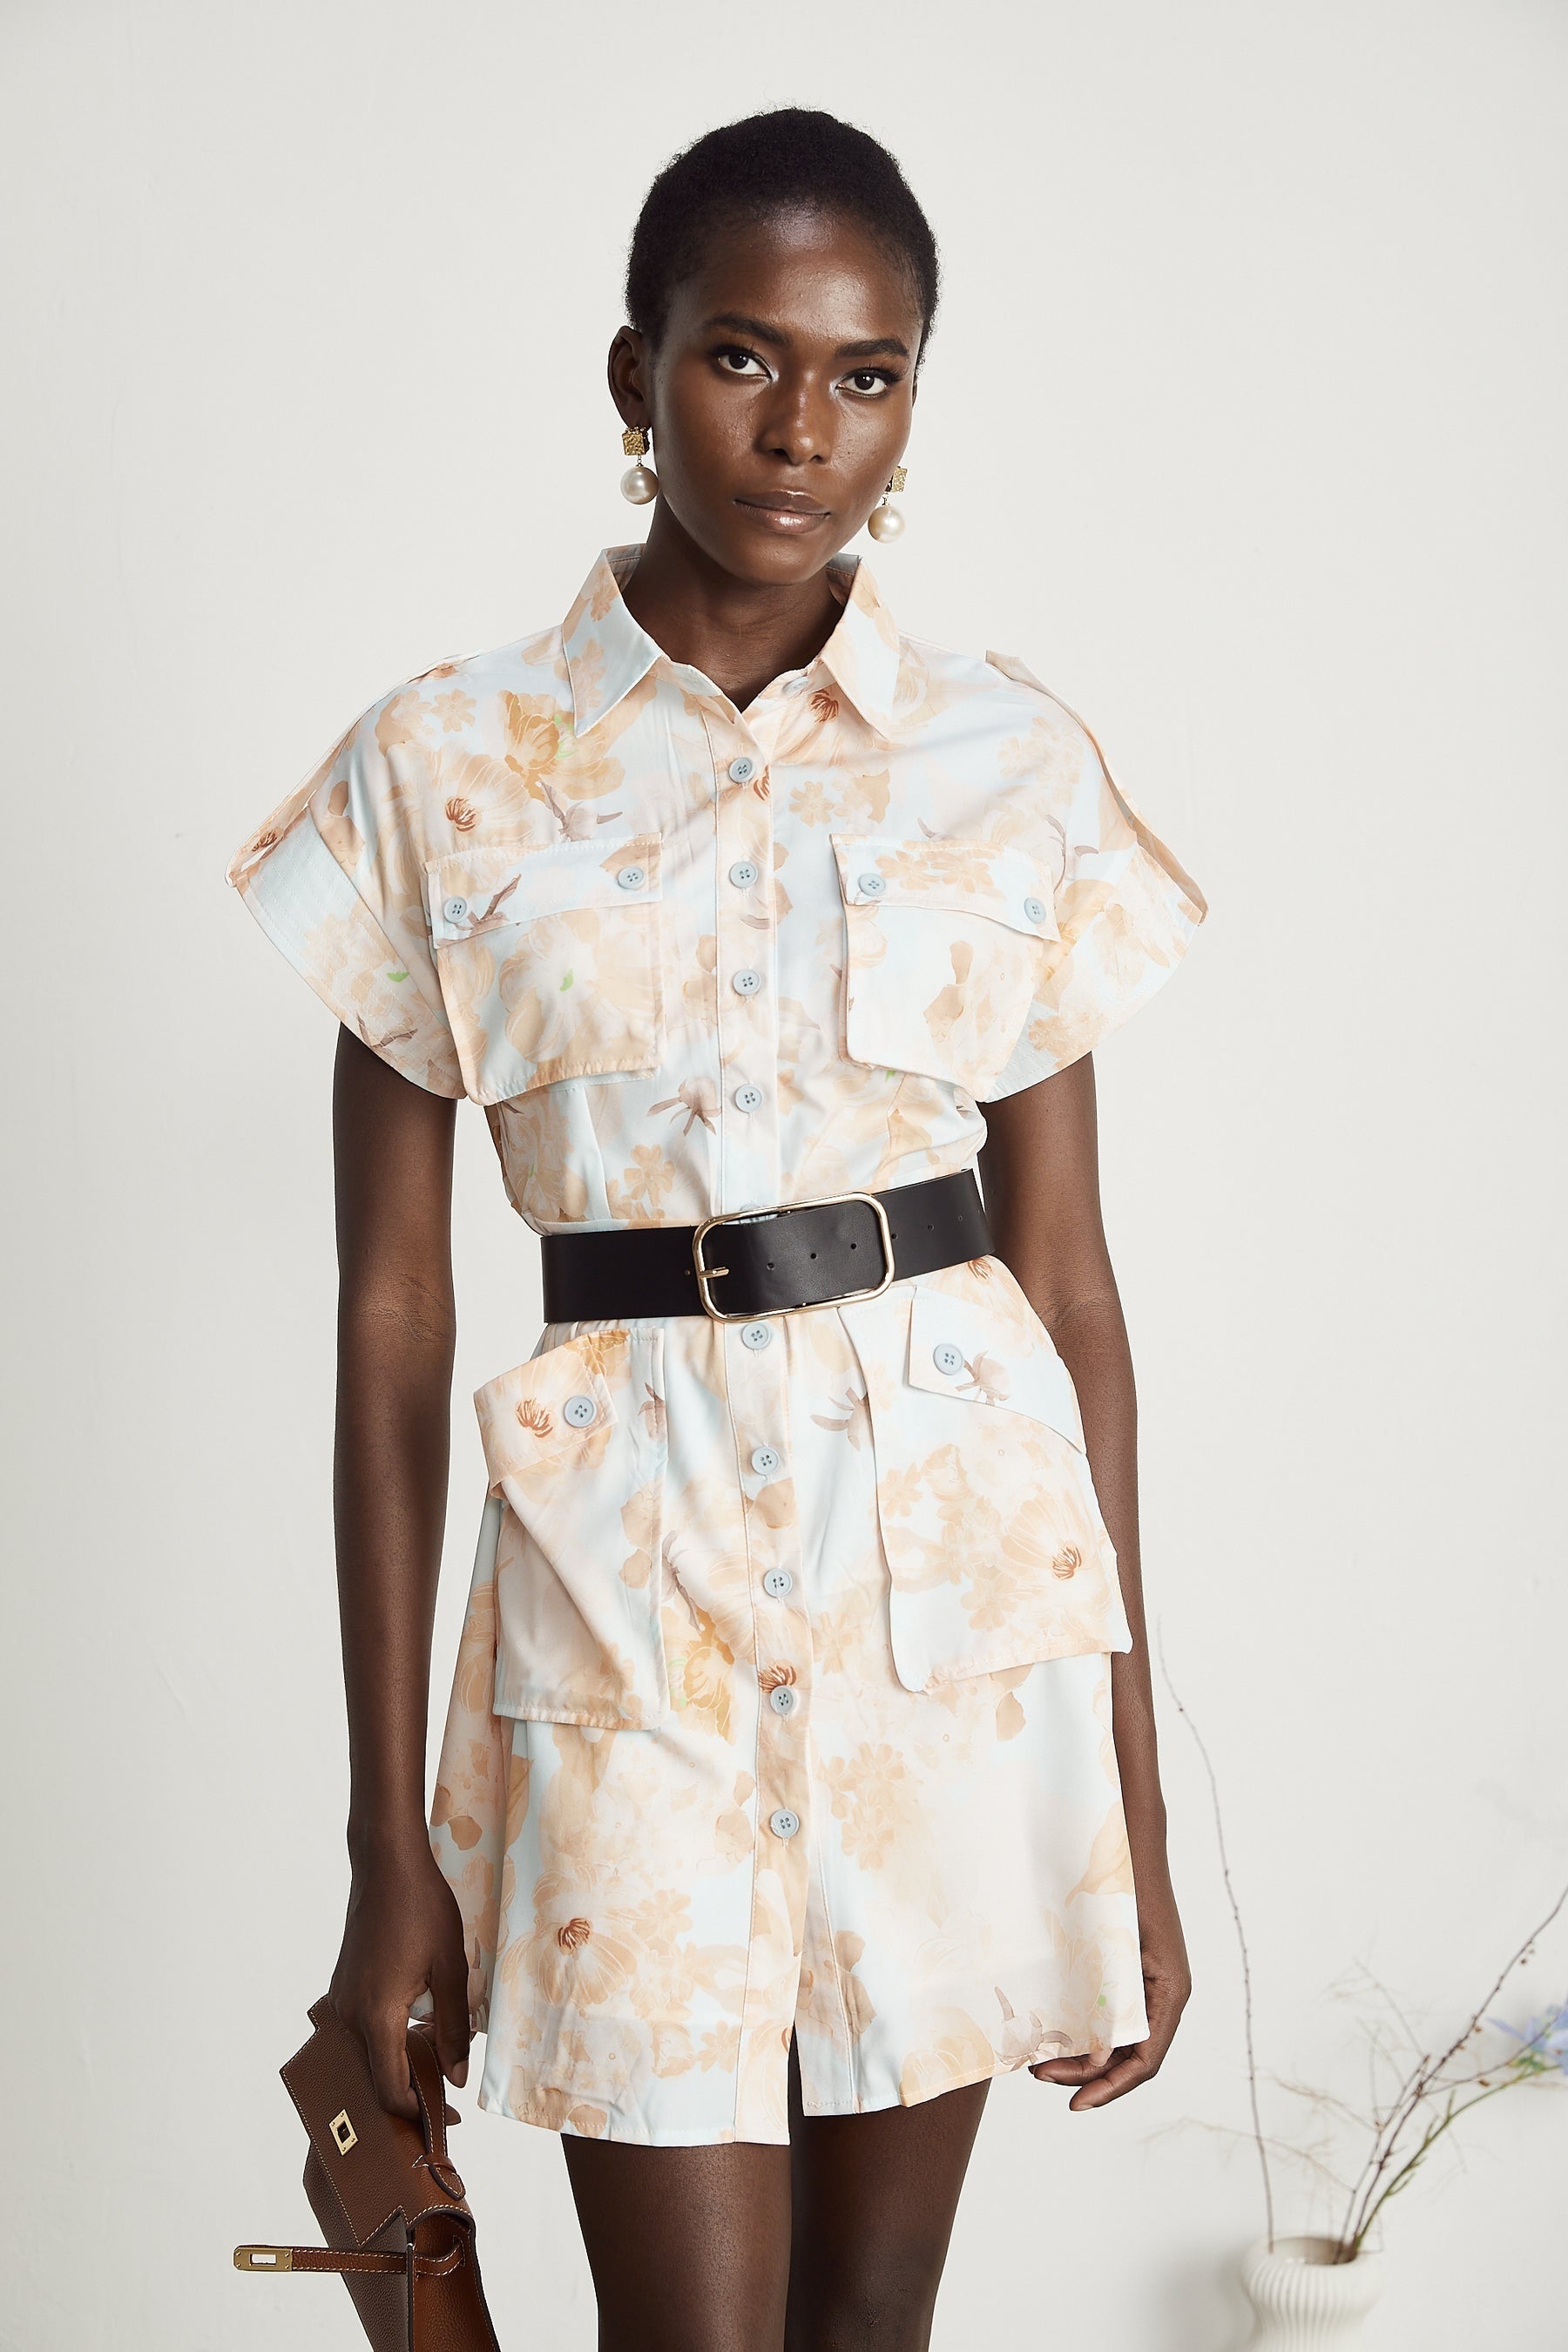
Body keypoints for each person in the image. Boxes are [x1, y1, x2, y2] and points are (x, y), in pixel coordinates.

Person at [228, 105, 1205, 2352]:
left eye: (866, 377)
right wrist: (398, 1857)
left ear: (913, 408)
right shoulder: (444, 767)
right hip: (617, 1612)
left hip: (947, 1617)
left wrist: (1124, 1807)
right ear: (630, 376)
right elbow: (393, 1330)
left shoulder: (1007, 759)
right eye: (742, 360)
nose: (802, 432)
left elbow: (1070, 1290)